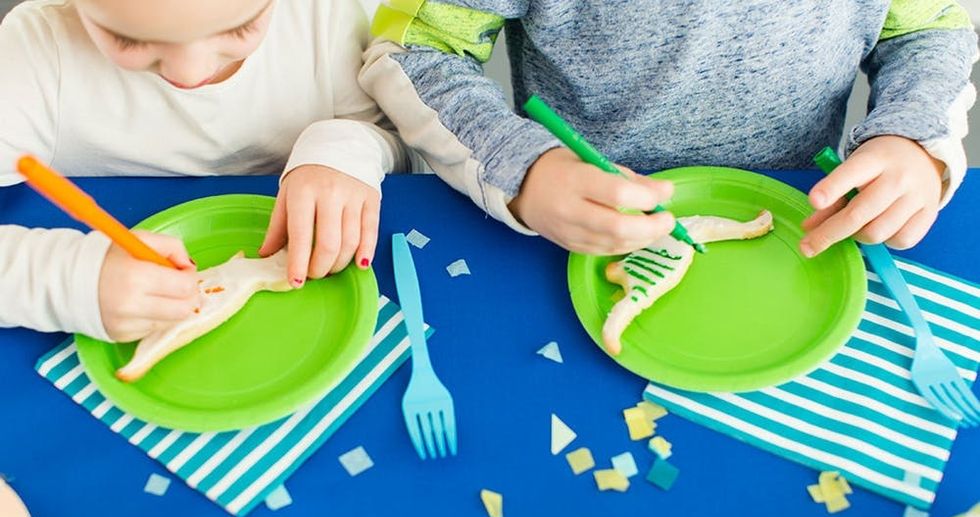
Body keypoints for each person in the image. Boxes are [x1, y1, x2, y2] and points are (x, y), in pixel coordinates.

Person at [361, 0, 976, 257]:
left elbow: (930, 26)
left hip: (803, 230)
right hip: (577, 236)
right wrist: (522, 168)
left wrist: (913, 138)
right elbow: (412, 49)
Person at [0, 0, 408, 342]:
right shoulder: (32, 54)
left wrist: (344, 149)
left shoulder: (322, 15)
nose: (189, 73)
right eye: (130, 39)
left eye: (240, 28)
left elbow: (400, 142)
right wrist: (67, 281)